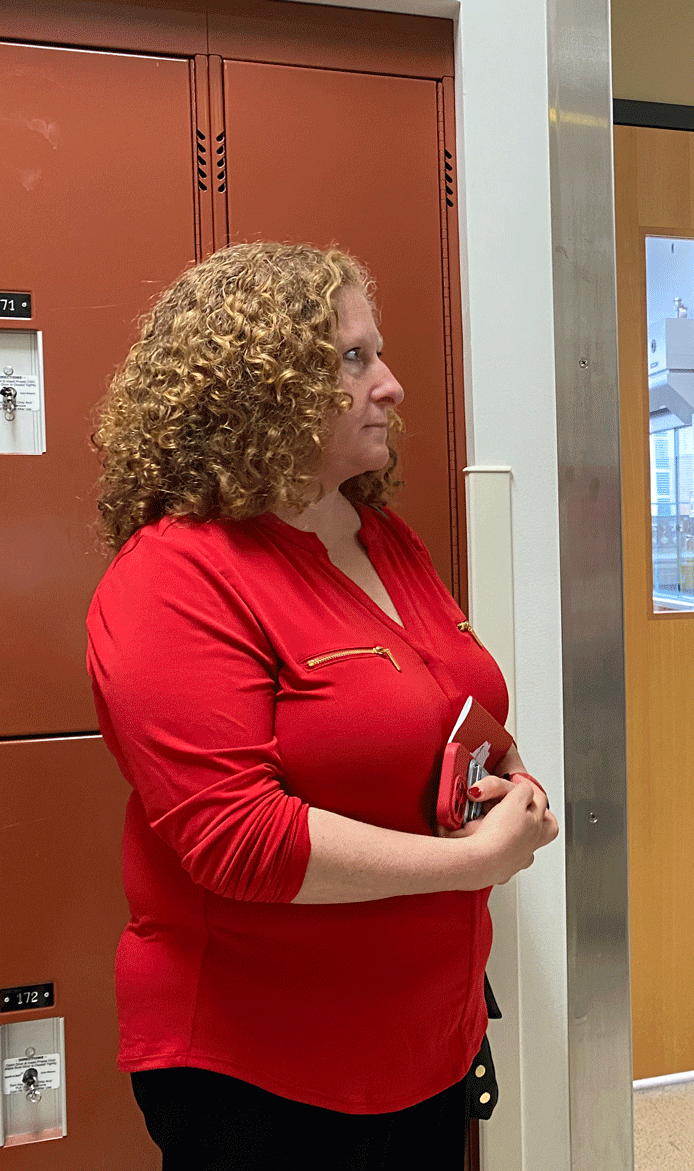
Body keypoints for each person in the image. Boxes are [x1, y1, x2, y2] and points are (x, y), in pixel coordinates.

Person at [87, 242, 558, 1169]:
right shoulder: (176, 576)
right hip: (263, 1065)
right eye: (353, 358)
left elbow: (441, 711)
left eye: (376, 353)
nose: (391, 385)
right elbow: (238, 838)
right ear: (259, 387)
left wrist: (502, 787)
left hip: (426, 1039)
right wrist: (467, 864)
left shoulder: (377, 532)